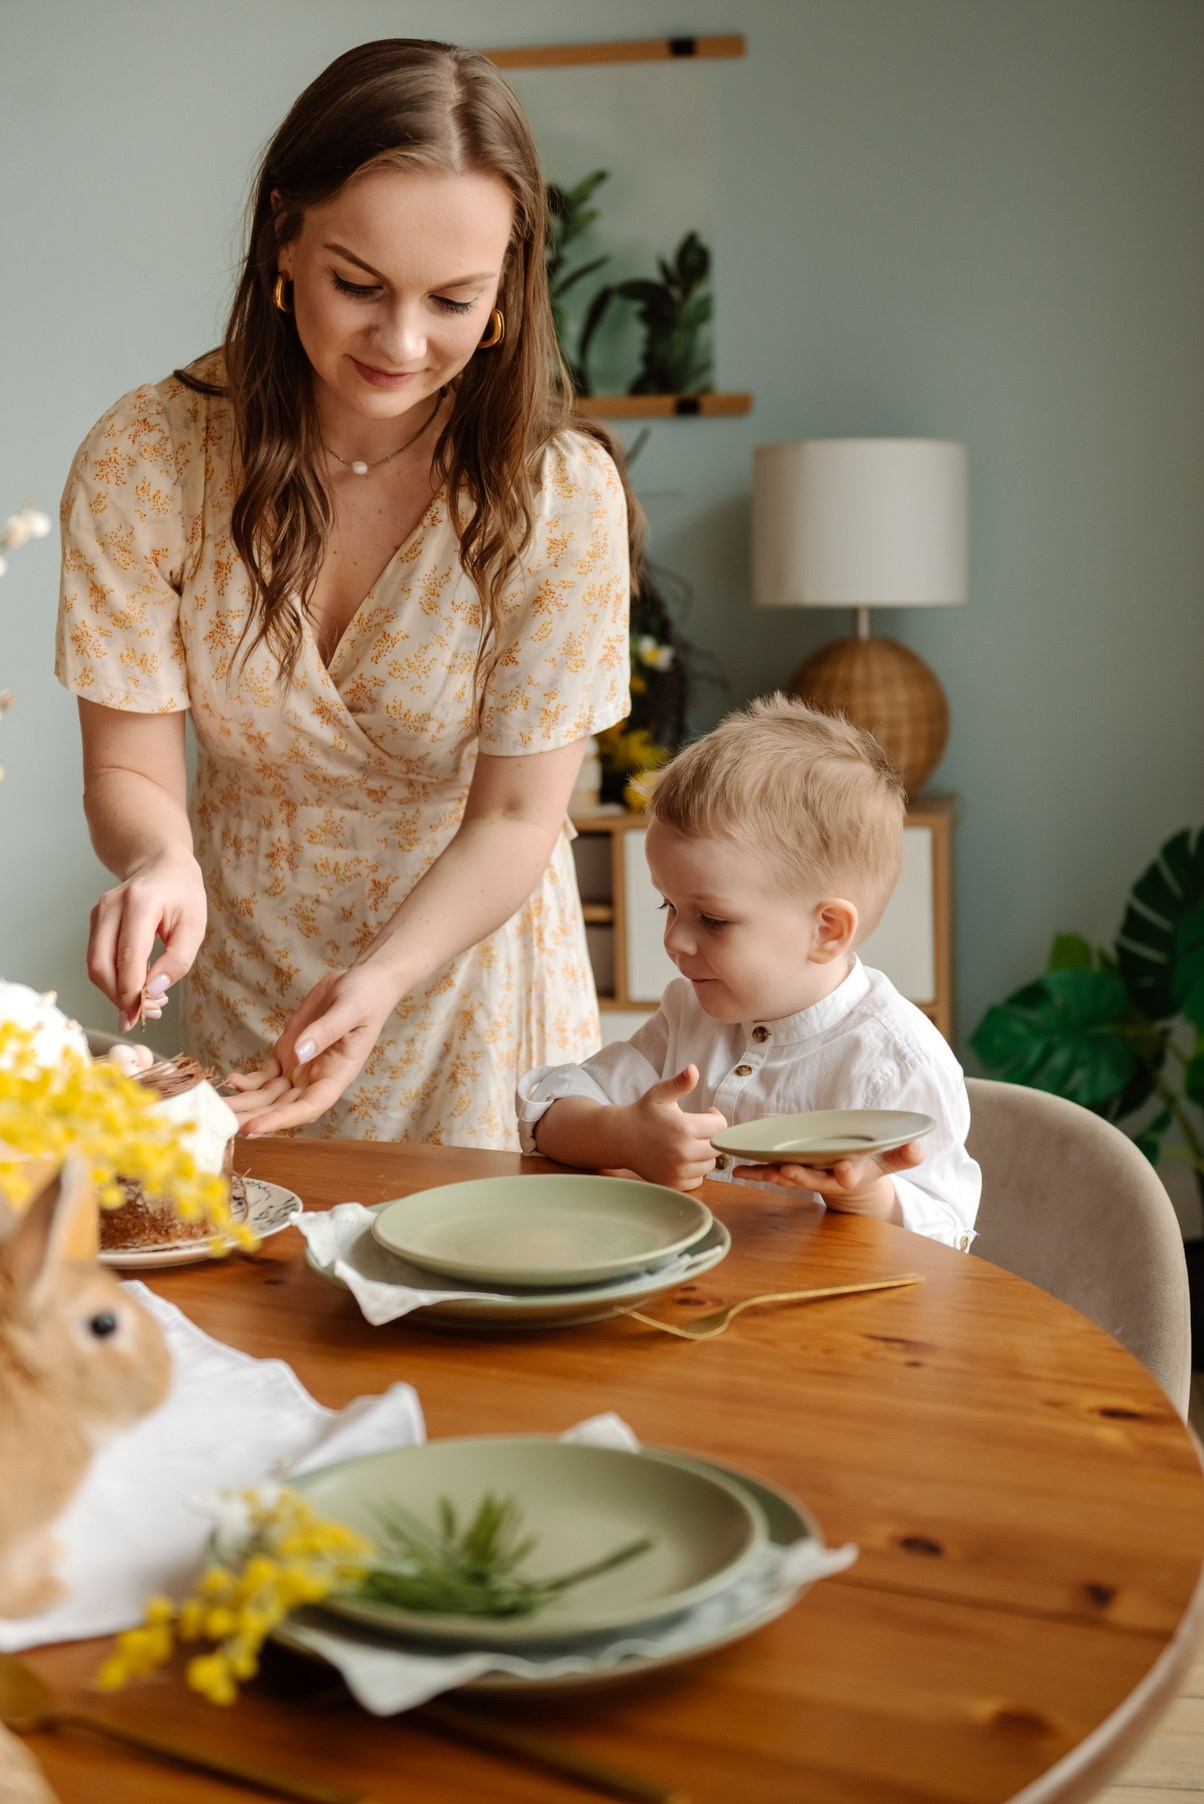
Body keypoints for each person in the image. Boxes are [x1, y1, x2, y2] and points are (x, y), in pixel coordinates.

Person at [55, 40, 635, 1146]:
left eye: (454, 299)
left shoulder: (556, 496)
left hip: (472, 990)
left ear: (507, 285)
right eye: (357, 285)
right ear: (284, 235)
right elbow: (130, 761)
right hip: (246, 992)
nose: (403, 341)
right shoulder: (149, 457)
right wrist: (157, 859)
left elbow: (518, 813)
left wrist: (383, 979)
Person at [517, 696, 981, 1249]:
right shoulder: (687, 1015)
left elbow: (950, 1242)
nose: (674, 941)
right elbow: (548, 1107)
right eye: (669, 907)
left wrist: (866, 1198)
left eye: (712, 920)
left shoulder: (896, 1063)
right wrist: (622, 1136)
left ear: (827, 930)